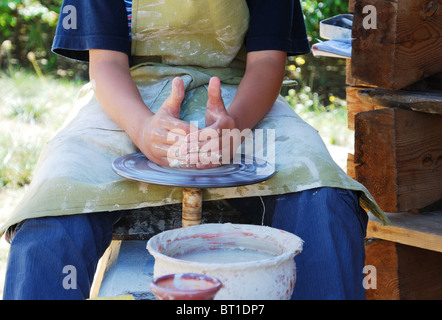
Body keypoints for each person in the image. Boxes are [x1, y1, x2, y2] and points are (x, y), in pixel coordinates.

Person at [1, 0, 389, 300]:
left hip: (240, 98)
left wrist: (235, 125)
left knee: (323, 199)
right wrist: (142, 128)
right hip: (128, 98)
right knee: (52, 210)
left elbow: (269, 61)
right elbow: (106, 65)